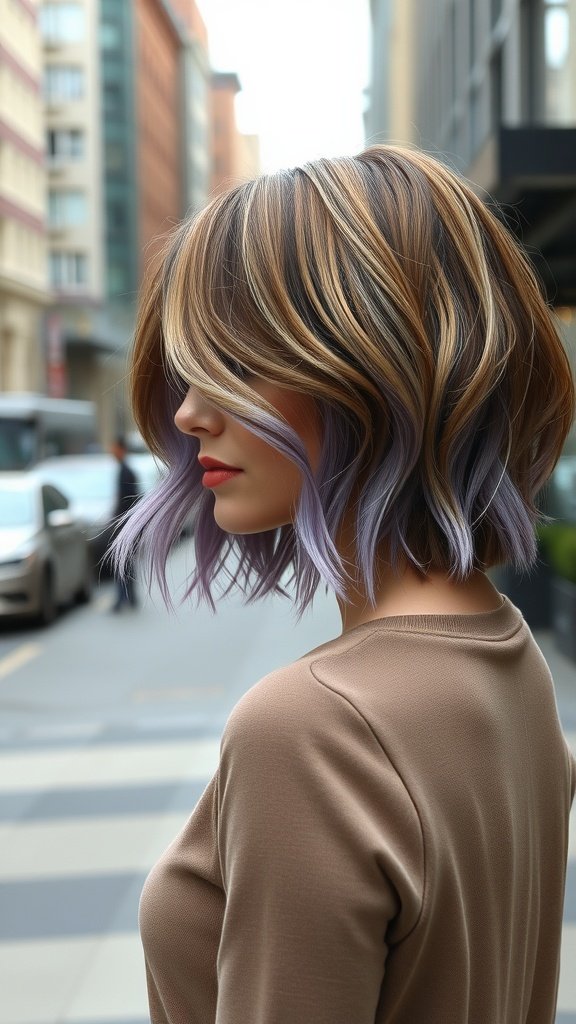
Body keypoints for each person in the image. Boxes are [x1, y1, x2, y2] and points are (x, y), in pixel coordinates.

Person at [113, 144, 576, 1023]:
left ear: (379, 367)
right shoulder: (510, 660)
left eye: (241, 363)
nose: (187, 412)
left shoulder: (315, 729)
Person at [109, 435, 140, 611]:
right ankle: (128, 597)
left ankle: (123, 598)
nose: (112, 452)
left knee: (122, 561)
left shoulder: (126, 471)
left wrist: (120, 522)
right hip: (125, 524)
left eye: (115, 448)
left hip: (125, 525)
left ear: (122, 450)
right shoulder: (124, 470)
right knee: (124, 562)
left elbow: (128, 500)